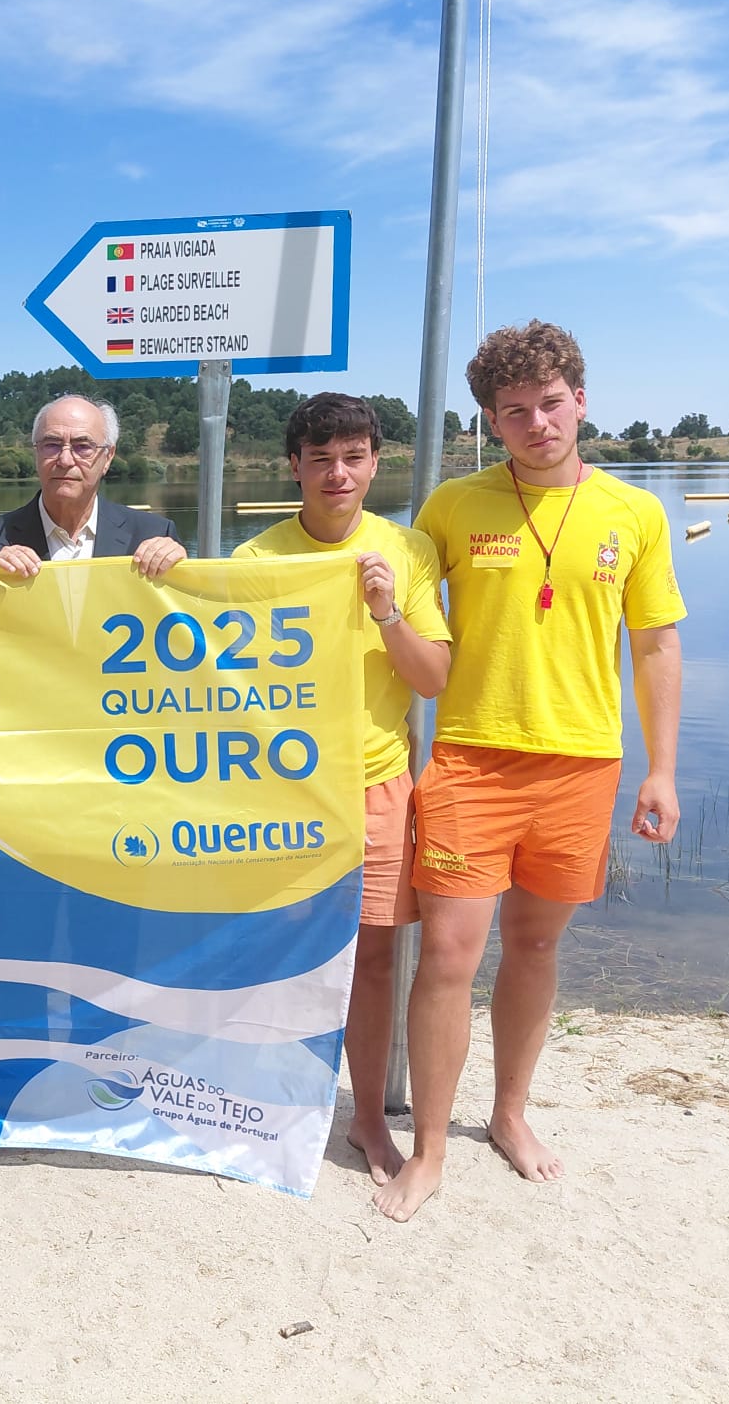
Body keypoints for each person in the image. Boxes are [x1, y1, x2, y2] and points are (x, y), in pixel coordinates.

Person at [375, 320, 684, 1223]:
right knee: (448, 957)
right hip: (470, 756)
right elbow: (396, 615)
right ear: (490, 421)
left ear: (580, 400)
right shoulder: (450, 508)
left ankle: (509, 1115)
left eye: (552, 404)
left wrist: (662, 771)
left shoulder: (635, 512)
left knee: (538, 948)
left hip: (583, 763)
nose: (538, 423)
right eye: (516, 412)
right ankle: (430, 1149)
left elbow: (657, 644)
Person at [232, 394, 450, 1186]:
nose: (337, 473)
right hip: (284, 791)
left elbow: (435, 677)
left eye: (353, 456)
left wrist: (388, 612)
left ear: (374, 462)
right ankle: (266, 1105)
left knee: (376, 959)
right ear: (293, 465)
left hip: (378, 785)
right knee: (278, 951)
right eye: (320, 458)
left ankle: (363, 1117)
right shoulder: (256, 562)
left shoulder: (409, 549)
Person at [0, 395, 185, 577]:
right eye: (52, 445)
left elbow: (183, 624)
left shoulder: (153, 536)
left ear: (107, 457)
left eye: (82, 446)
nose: (65, 460)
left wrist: (183, 573)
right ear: (36, 453)